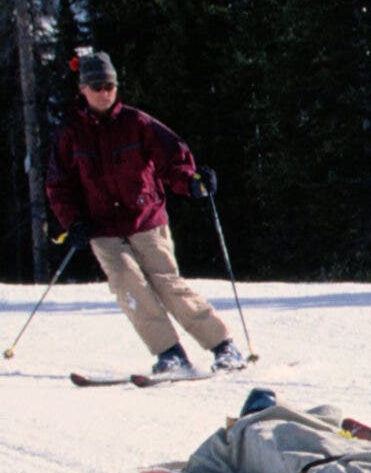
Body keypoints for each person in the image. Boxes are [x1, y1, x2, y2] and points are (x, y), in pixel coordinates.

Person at [45, 49, 246, 376]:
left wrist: (193, 182)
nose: (104, 92)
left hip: (146, 220)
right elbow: (58, 184)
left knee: (167, 284)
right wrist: (74, 223)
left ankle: (224, 346)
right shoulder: (70, 134)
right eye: (96, 86)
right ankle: (170, 354)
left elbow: (174, 160)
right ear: (82, 89)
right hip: (102, 228)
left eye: (109, 85)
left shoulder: (137, 123)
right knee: (128, 283)